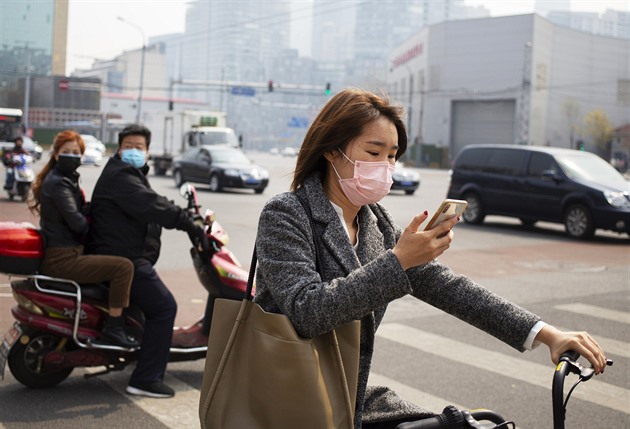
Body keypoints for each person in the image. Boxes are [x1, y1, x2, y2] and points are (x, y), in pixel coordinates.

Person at [252, 89, 608, 429]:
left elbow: (449, 287)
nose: (386, 166)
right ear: (332, 151)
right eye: (374, 153)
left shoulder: (376, 221)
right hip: (286, 396)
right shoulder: (286, 214)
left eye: (392, 155)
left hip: (344, 393)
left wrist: (547, 334)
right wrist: (399, 261)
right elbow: (307, 310)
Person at [87, 124, 207, 399]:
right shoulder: (121, 175)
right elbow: (151, 204)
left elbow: (153, 200)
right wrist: (188, 223)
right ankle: (145, 378)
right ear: (118, 148)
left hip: (125, 254)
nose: (133, 151)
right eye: (128, 146)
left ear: (147, 151)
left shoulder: (128, 174)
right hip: (123, 258)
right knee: (165, 307)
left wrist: (187, 215)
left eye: (139, 147)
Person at [28, 130, 139, 348]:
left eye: (76, 152)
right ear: (56, 154)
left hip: (66, 252)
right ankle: (114, 328)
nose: (71, 155)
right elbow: (77, 223)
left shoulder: (64, 179)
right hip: (63, 258)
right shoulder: (59, 184)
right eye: (66, 151)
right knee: (123, 268)